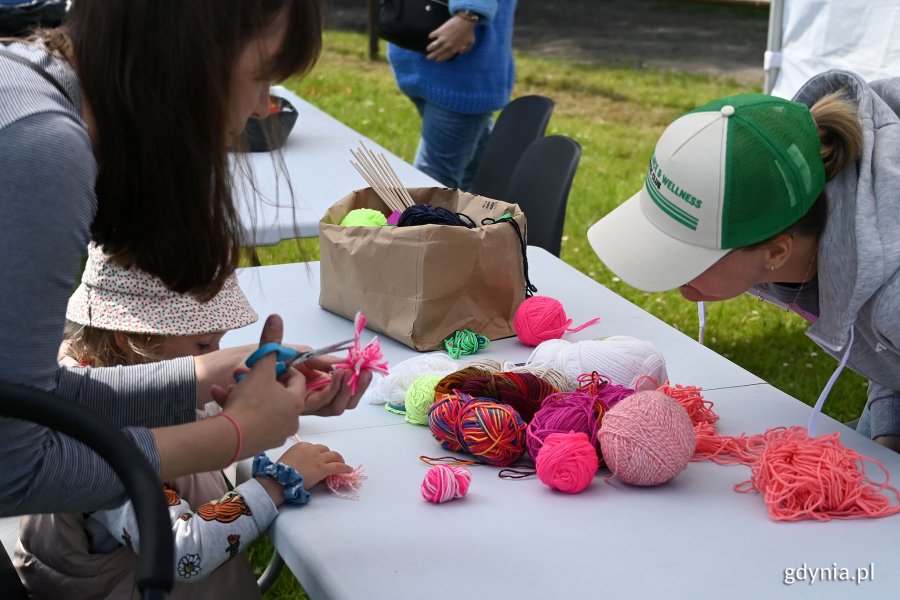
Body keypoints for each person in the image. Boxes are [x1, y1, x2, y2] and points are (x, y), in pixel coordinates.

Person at [0, 0, 371, 517]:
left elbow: (29, 399)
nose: (264, 107)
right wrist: (234, 434)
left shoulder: (26, 86)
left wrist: (209, 370)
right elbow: (13, 470)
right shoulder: (42, 153)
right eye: (261, 77)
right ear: (186, 62)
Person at [15, 243, 353, 598]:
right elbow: (183, 552)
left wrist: (277, 400)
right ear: (134, 339)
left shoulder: (104, 374)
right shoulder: (96, 441)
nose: (217, 355)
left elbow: (190, 407)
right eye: (205, 345)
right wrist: (277, 484)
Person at [587, 71, 900, 449]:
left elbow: (882, 318)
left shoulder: (890, 299)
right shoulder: (797, 209)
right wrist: (888, 425)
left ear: (776, 252)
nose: (683, 290)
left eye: (693, 264)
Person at [387, 0, 517, 189]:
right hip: (431, 55)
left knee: (432, 182)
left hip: (458, 65)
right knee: (476, 167)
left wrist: (468, 15)